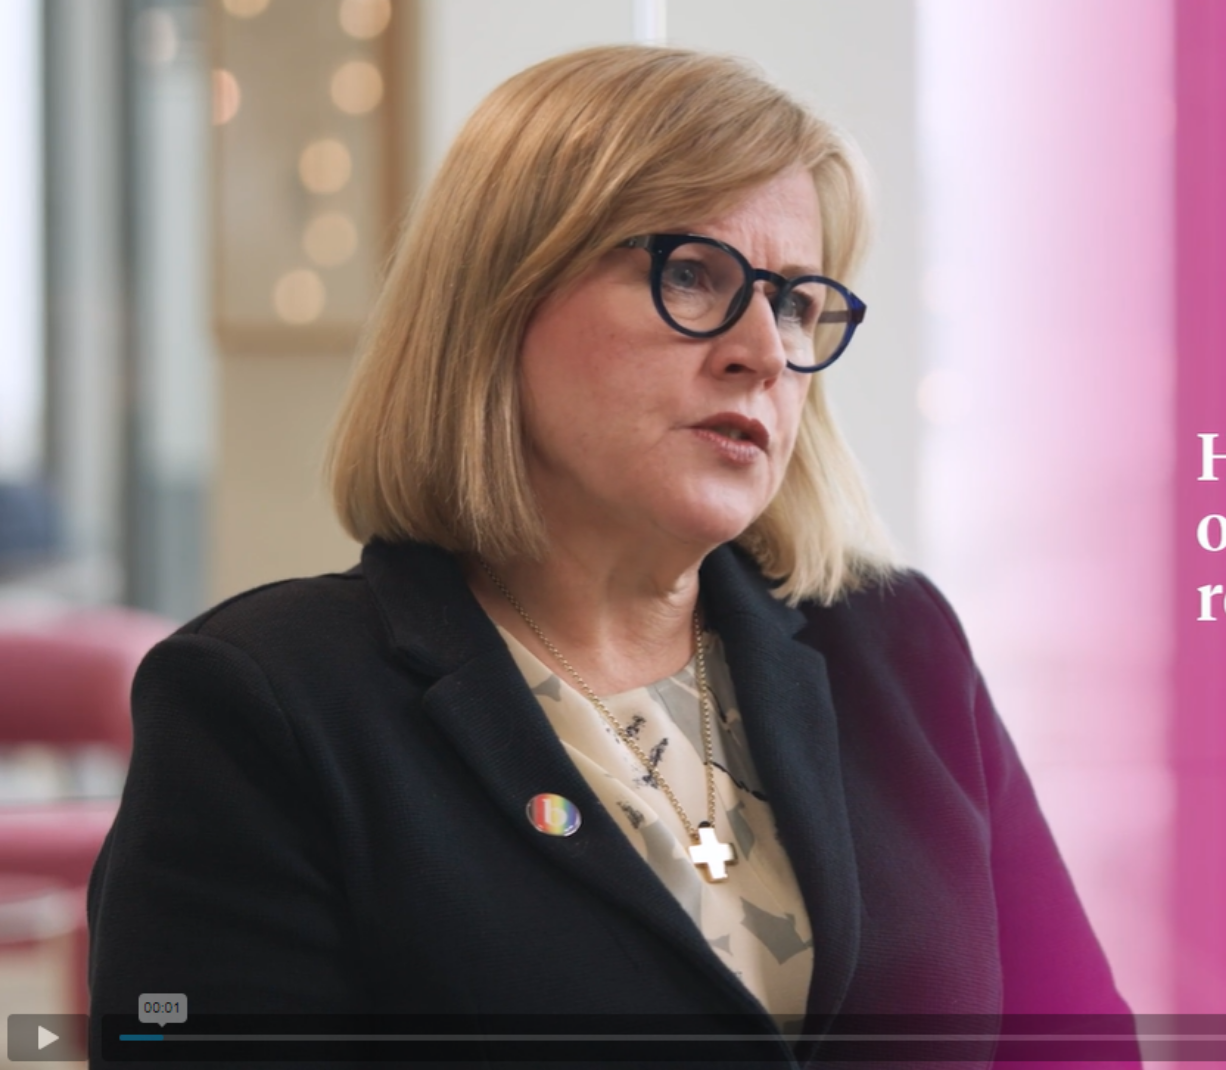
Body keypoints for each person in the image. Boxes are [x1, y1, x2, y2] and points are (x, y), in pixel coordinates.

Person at [86, 44, 1132, 1067]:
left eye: (795, 303)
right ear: (501, 300)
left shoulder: (897, 642)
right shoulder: (263, 704)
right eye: (693, 275)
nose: (763, 352)